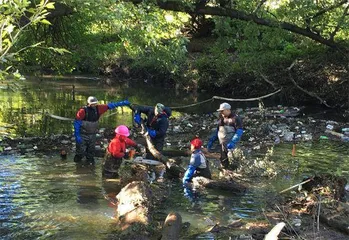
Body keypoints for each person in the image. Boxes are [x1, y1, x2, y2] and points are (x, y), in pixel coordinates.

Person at [73, 96, 130, 164]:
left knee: (91, 152)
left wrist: (122, 103)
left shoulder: (99, 108)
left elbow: (111, 105)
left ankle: (90, 166)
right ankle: (77, 165)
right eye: (92, 104)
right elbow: (77, 123)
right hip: (83, 134)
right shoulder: (82, 111)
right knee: (80, 152)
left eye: (95, 103)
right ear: (88, 103)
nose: (94, 105)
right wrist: (77, 135)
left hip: (92, 134)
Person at [207, 102, 244, 169]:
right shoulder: (222, 119)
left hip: (233, 146)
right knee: (223, 161)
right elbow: (218, 130)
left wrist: (233, 142)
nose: (221, 113)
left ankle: (237, 175)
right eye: (220, 111)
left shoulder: (235, 118)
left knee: (234, 162)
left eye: (222, 111)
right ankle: (225, 174)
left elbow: (239, 131)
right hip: (223, 145)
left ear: (227, 110)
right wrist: (212, 140)